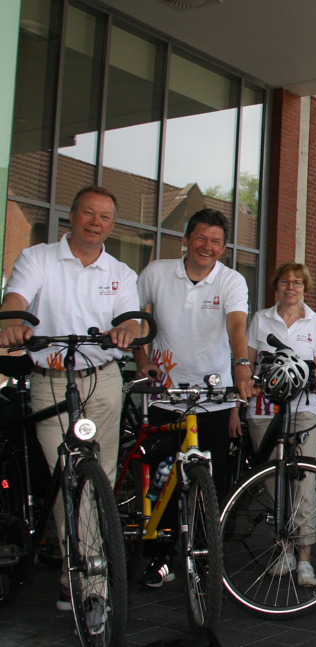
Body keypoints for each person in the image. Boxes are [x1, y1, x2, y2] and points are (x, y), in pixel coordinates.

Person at [0, 185, 142, 611]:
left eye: (104, 217)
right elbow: (16, 300)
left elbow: (132, 321)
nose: (95, 223)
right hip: (54, 380)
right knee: (69, 479)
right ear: (72, 216)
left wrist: (127, 332)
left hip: (104, 378)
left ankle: (89, 578)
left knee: (99, 477)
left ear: (111, 225)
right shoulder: (39, 258)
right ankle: (80, 571)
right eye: (88, 213)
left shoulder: (121, 273)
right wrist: (12, 323)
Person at [133, 207, 256, 588]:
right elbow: (133, 316)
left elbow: (237, 324)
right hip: (166, 395)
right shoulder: (156, 272)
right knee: (161, 481)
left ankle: (205, 556)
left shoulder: (231, 280)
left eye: (216, 242)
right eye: (201, 238)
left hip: (212, 398)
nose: (208, 247)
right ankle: (159, 558)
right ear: (185, 239)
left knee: (209, 485)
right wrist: (140, 357)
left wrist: (240, 365)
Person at [245, 263, 316, 587]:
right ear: (275, 287)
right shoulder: (259, 319)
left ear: (304, 288)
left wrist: (313, 382)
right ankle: (283, 549)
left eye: (297, 282)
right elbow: (248, 365)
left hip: (304, 410)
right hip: (265, 412)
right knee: (274, 483)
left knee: (304, 482)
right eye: (284, 282)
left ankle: (304, 559)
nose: (290, 287)